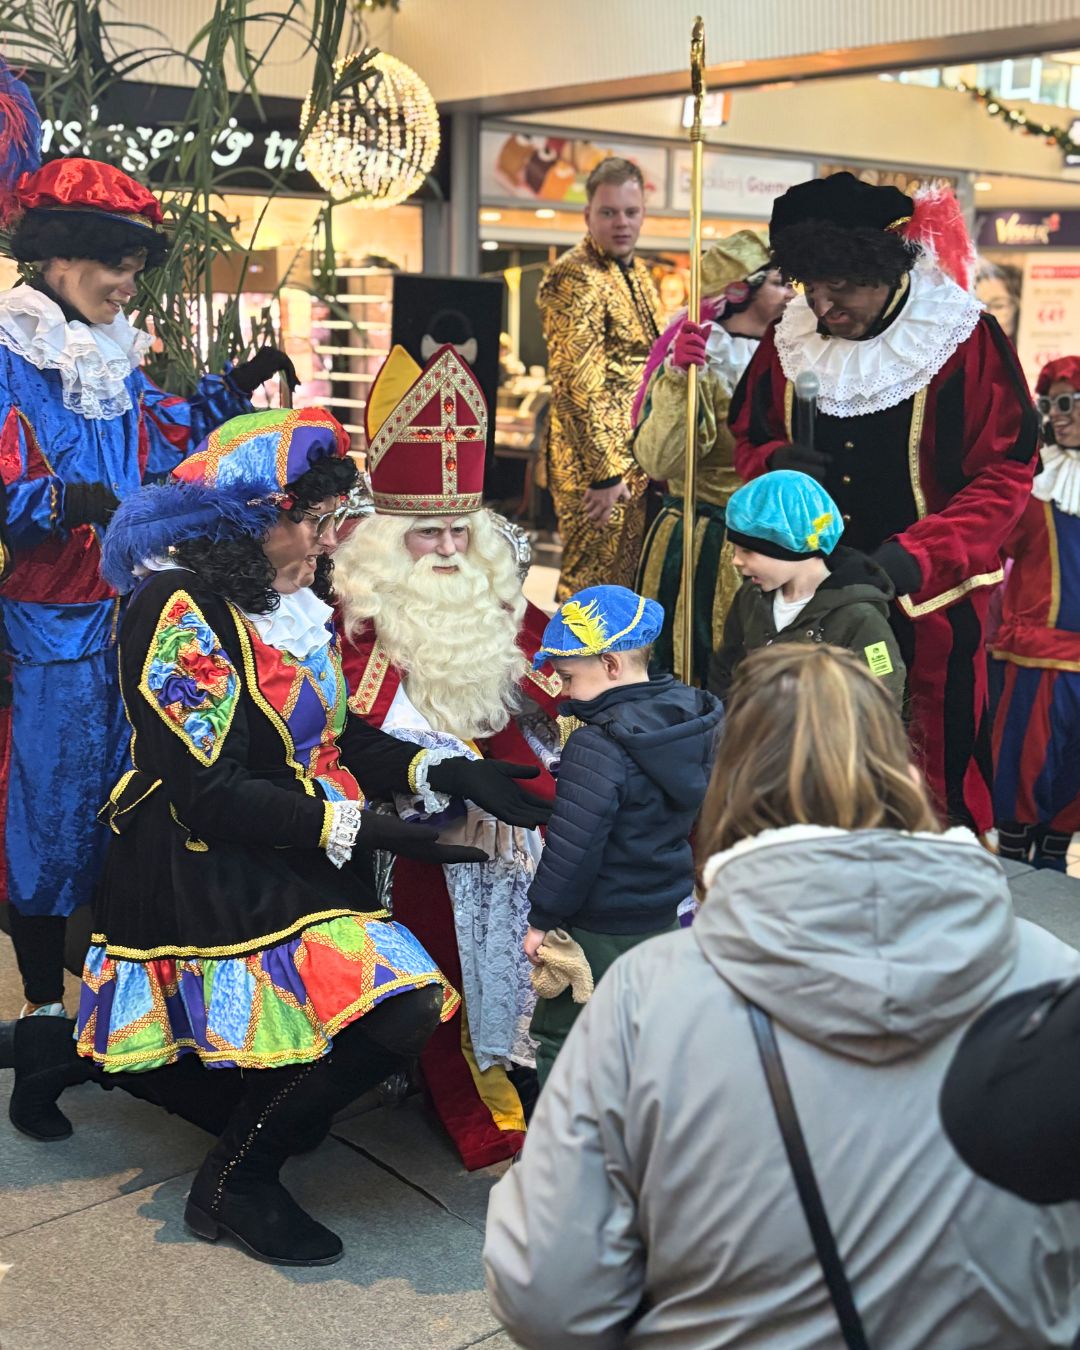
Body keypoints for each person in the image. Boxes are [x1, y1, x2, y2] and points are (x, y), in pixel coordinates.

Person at [1, 406, 562, 1268]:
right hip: (200, 859)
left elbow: (331, 736)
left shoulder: (293, 598)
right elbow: (210, 793)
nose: (334, 541)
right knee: (401, 1007)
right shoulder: (174, 606)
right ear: (251, 520)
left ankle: (72, 1059)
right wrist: (368, 828)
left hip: (292, 842)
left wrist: (441, 774)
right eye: (319, 520)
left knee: (288, 1069)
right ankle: (235, 1185)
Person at [484, 644, 1080, 1349]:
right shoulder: (1048, 973)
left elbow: (547, 1296)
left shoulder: (648, 996)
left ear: (729, 780)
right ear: (898, 767)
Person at [0, 71, 295, 1020]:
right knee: (47, 816)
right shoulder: (12, 358)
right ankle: (44, 1015)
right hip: (48, 628)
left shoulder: (111, 354)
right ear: (60, 259)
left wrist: (231, 389)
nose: (130, 285)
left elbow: (168, 434)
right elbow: (10, 490)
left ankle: (107, 1003)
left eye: (134, 268)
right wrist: (60, 497)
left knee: (132, 805)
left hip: (136, 615)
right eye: (118, 265)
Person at [731, 172, 1038, 832]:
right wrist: (775, 463)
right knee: (806, 764)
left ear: (884, 268)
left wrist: (912, 558)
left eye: (840, 283)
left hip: (930, 606)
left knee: (927, 776)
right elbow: (748, 437)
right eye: (809, 283)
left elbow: (1008, 475)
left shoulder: (961, 339)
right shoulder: (790, 338)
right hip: (807, 594)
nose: (823, 302)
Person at [334, 341, 559, 1169]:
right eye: (428, 533)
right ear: (389, 539)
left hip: (506, 794)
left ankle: (539, 1054)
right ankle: (466, 1082)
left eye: (460, 529)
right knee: (443, 901)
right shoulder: (356, 616)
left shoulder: (489, 588)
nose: (449, 549)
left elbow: (550, 681)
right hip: (412, 815)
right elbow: (350, 742)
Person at [523, 584, 722, 1086]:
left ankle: (559, 1155)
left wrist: (542, 918)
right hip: (662, 907)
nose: (566, 692)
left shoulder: (598, 741)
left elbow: (575, 842)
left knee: (564, 1039)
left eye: (569, 677)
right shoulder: (689, 717)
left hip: (599, 919)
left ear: (610, 665)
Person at [632, 231, 794, 683]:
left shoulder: (796, 353)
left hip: (778, 543)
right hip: (701, 543)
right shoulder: (703, 357)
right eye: (780, 282)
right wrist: (679, 381)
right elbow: (660, 461)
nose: (792, 293)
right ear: (741, 290)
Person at [538, 156, 661, 602]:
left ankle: (611, 672)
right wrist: (605, 474)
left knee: (624, 582)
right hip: (596, 465)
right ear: (587, 215)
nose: (621, 223)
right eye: (608, 212)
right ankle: (571, 673)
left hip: (635, 455)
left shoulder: (638, 271)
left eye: (631, 212)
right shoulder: (575, 274)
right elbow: (576, 381)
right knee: (593, 584)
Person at [708, 470, 905, 706]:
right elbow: (725, 669)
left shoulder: (860, 619)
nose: (736, 561)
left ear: (789, 546)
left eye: (747, 551)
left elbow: (881, 699)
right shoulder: (750, 597)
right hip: (752, 738)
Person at [991, 355, 1080, 872]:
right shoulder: (1033, 487)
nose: (1056, 415)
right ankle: (1010, 866)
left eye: (1067, 403)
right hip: (1035, 660)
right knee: (1022, 773)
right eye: (1049, 405)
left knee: (1072, 781)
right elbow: (987, 548)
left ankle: (1053, 865)